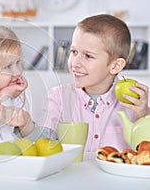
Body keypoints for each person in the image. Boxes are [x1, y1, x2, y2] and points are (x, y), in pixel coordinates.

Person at [38, 14, 150, 152]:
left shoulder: (137, 101)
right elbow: (42, 142)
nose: (75, 62)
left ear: (115, 66)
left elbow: (144, 152)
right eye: (74, 52)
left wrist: (144, 116)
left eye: (88, 56)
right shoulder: (58, 97)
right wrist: (25, 125)